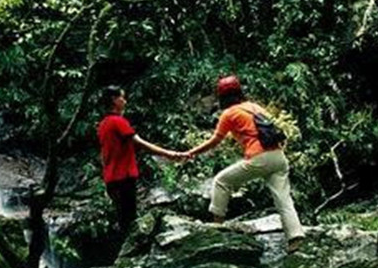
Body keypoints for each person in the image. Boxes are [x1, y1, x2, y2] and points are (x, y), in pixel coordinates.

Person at [177, 75, 306, 249]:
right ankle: (295, 237)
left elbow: (215, 141)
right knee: (284, 200)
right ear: (239, 92)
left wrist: (190, 152)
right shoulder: (255, 107)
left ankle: (217, 225)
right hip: (279, 157)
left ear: (222, 96)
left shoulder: (229, 114)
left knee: (221, 181)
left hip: (259, 158)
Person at [96, 85, 181, 234]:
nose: (125, 101)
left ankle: (126, 253)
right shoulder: (118, 121)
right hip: (123, 177)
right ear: (114, 100)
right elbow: (140, 143)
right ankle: (130, 255)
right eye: (122, 97)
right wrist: (169, 154)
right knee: (129, 220)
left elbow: (104, 155)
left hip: (111, 179)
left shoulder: (103, 124)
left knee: (123, 219)